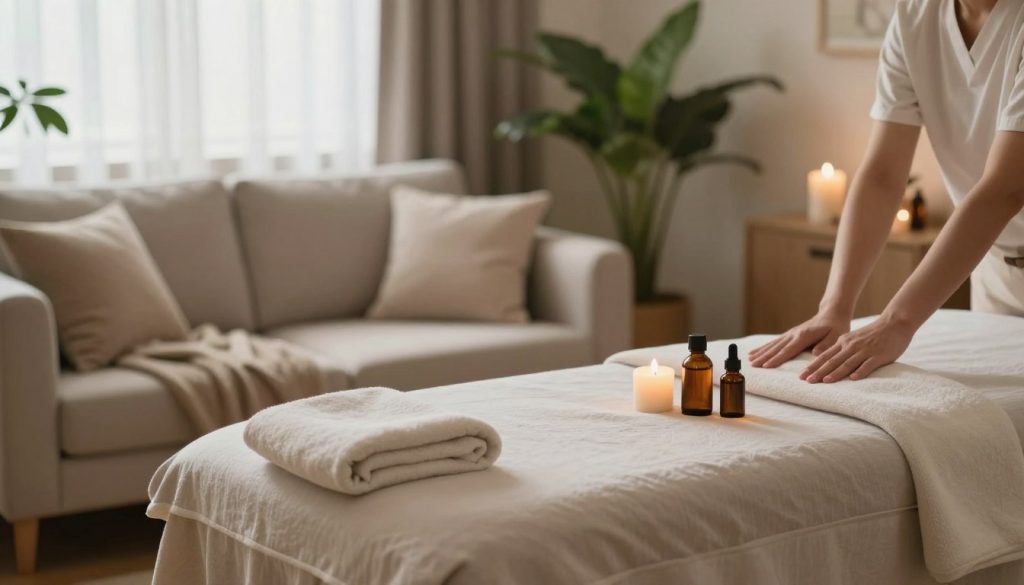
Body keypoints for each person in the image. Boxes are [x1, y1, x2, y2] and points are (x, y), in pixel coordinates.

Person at [750, 0, 1024, 382]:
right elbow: (882, 174)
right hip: (996, 275)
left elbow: (1005, 189)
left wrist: (897, 322)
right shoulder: (915, 16)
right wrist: (834, 307)